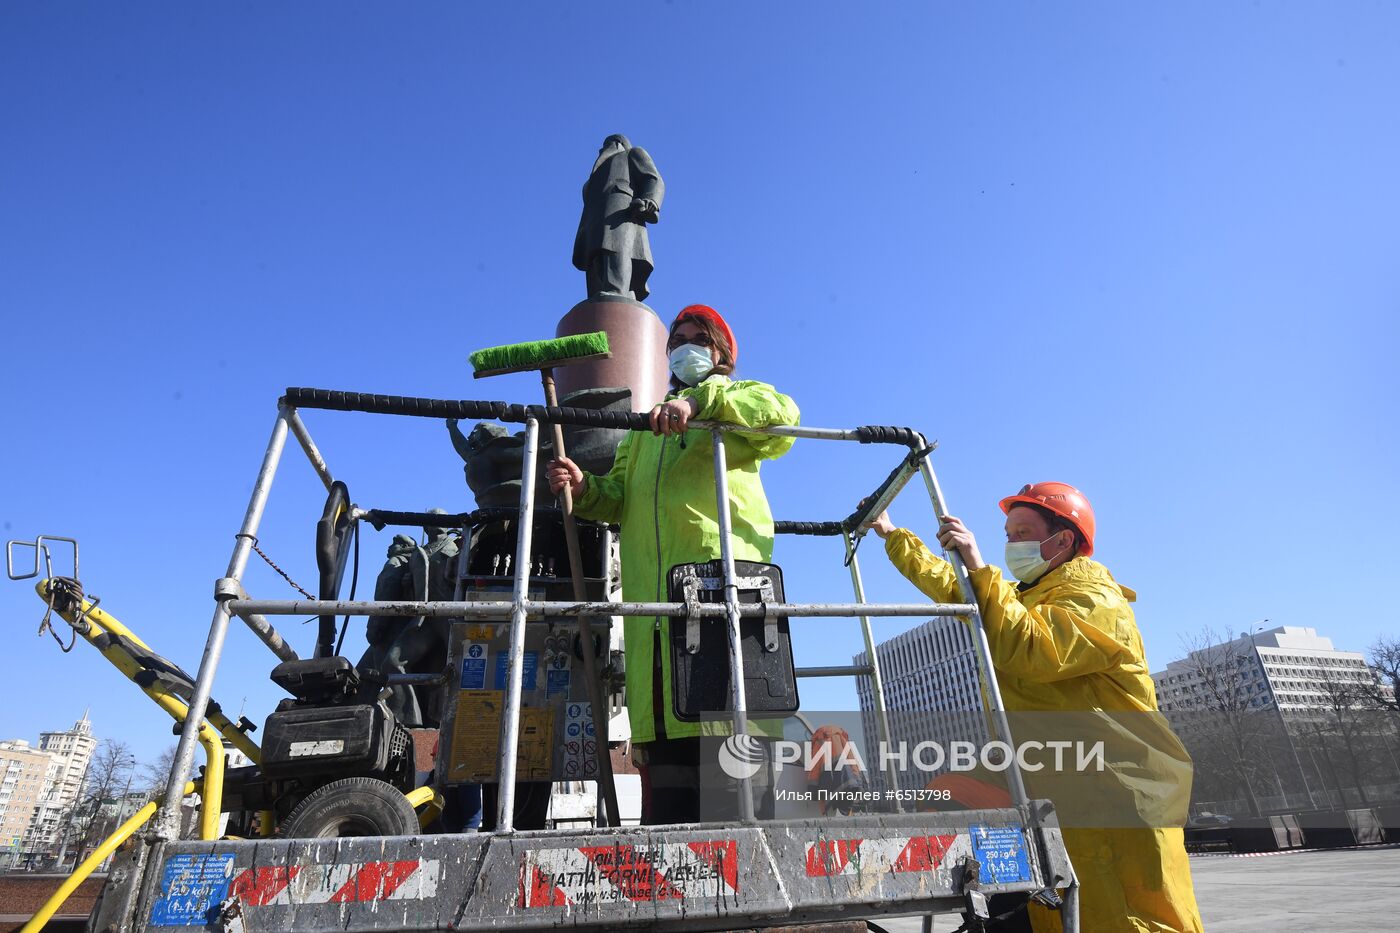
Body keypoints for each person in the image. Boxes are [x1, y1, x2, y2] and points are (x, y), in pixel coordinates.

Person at [871, 483, 1204, 933]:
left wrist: (978, 565)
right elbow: (959, 589)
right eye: (1007, 534)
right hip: (1057, 782)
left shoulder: (1096, 601)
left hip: (1112, 793)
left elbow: (1030, 648)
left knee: (1123, 918)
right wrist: (894, 535)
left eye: (1021, 533)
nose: (1011, 545)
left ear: (1063, 540)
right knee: (953, 794)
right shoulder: (1028, 597)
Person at [546, 304, 798, 824]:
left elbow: (782, 417)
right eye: (676, 338)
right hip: (655, 621)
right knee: (669, 804)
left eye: (695, 338)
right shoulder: (642, 431)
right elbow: (619, 499)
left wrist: (701, 406)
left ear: (721, 353)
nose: (682, 345)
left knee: (733, 793)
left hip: (720, 602)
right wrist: (584, 488)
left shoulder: (735, 401)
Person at [572, 134, 665, 301]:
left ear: (619, 143)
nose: (602, 149)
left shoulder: (632, 154)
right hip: (594, 221)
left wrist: (651, 200)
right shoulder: (592, 179)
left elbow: (653, 178)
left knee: (616, 249)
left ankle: (617, 291)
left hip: (622, 212)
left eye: (608, 143)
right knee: (596, 259)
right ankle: (598, 302)